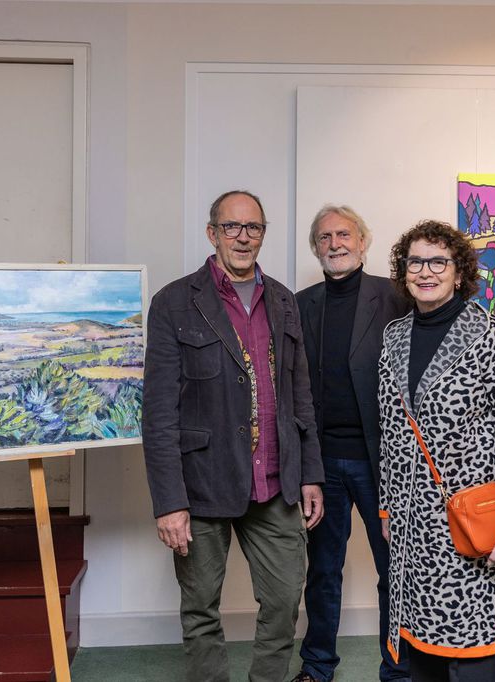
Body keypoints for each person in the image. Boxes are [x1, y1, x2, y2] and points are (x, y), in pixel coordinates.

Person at [142, 190, 325, 682]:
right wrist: (169, 502)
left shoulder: (283, 300)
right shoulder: (174, 302)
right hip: (202, 484)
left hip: (276, 483)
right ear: (212, 233)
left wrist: (310, 473)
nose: (243, 238)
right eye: (231, 227)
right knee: (201, 608)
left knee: (284, 600)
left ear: (263, 234)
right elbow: (158, 414)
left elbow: (300, 396)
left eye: (253, 228)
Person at [377, 220, 495, 682]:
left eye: (438, 262)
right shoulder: (393, 337)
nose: (425, 272)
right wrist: (388, 509)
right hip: (411, 524)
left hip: (467, 516)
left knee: (471, 646)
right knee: (421, 646)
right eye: (415, 262)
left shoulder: (489, 334)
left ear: (458, 271)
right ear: (404, 271)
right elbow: (391, 431)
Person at [292, 205, 410, 682]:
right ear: (315, 248)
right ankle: (317, 666)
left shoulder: (397, 296)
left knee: (396, 571)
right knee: (322, 573)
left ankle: (399, 671)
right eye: (324, 237)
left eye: (344, 234)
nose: (335, 243)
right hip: (323, 465)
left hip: (383, 463)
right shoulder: (300, 304)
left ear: (363, 242)